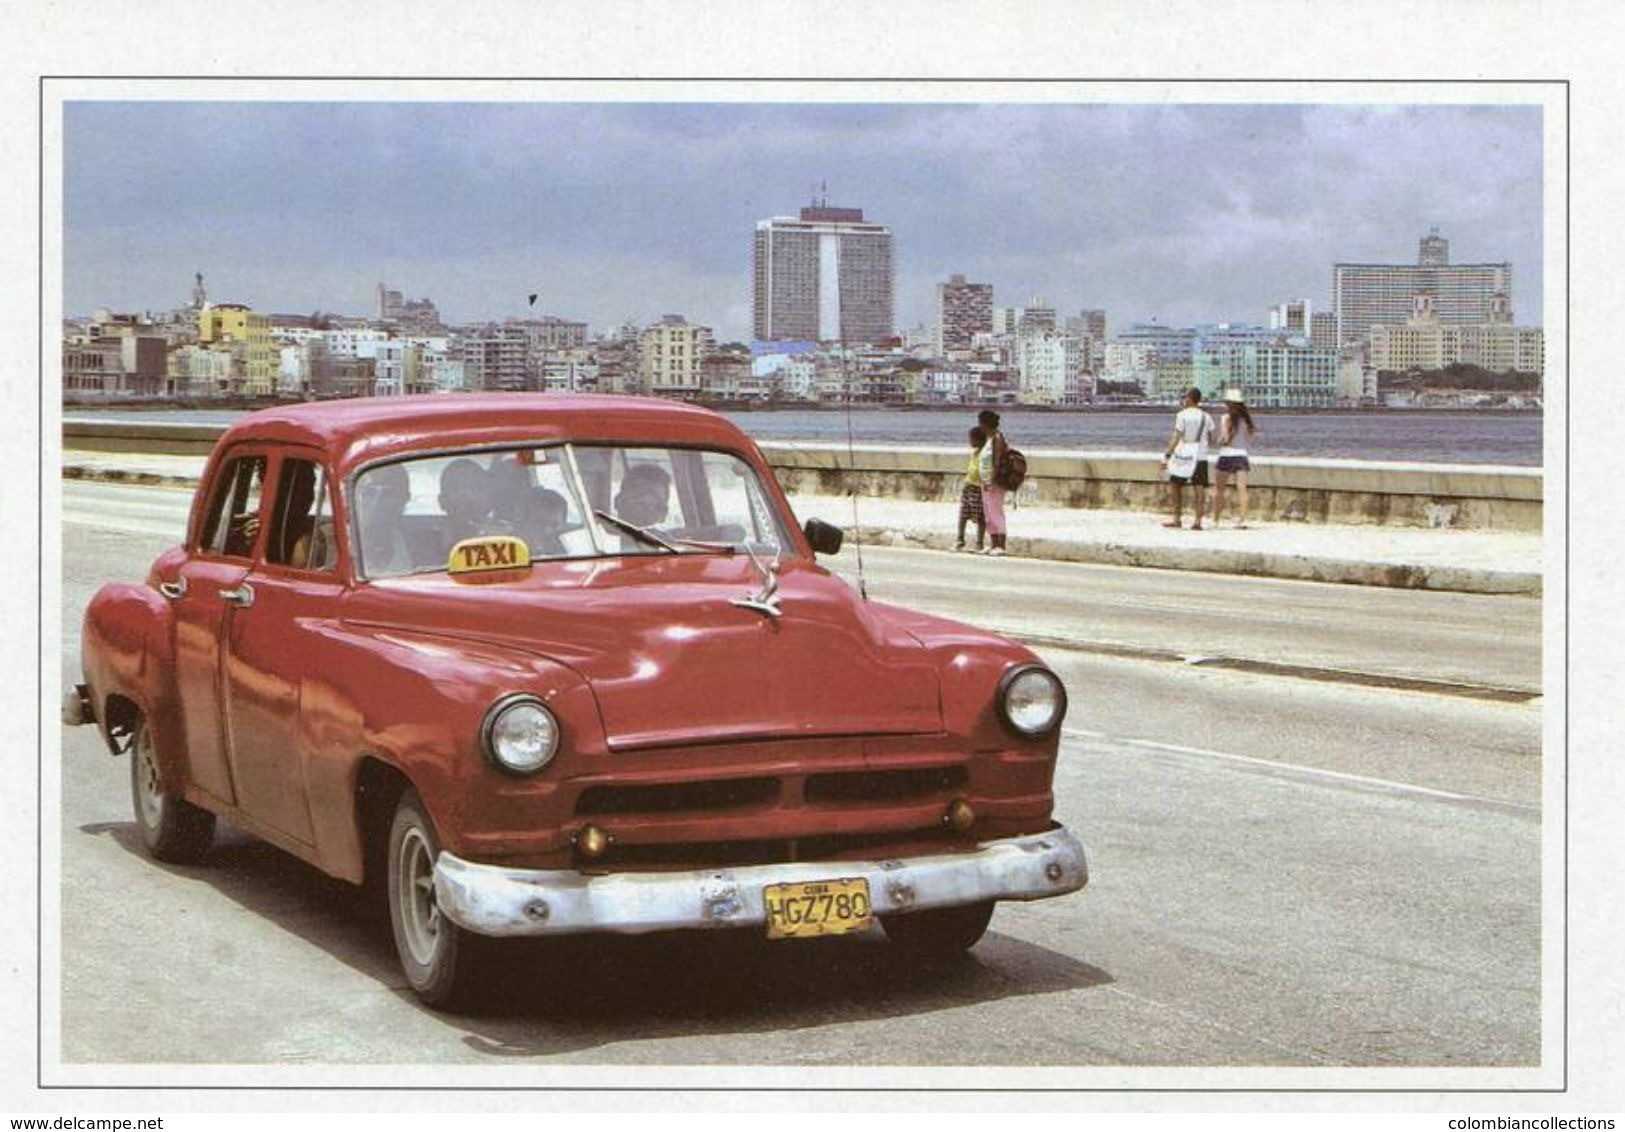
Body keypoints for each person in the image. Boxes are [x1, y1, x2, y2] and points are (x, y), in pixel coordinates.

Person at [1160, 387, 1216, 531]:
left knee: (1175, 485)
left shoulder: (1182, 415)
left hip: (1184, 456)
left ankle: (1177, 519)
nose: (1184, 399)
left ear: (1190, 398)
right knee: (1199, 488)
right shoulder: (1206, 416)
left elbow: (1176, 437)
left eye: (1186, 397)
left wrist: (1167, 455)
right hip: (1200, 456)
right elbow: (1212, 439)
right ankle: (1197, 521)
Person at [1212, 388, 1258, 529]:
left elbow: (1225, 439)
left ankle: (1216, 519)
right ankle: (1242, 519)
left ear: (1228, 403)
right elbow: (1249, 437)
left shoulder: (1225, 418)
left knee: (1219, 490)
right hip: (1241, 455)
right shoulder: (1247, 420)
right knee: (1242, 490)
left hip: (1226, 455)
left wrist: (1217, 442)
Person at [356, 462, 413, 575]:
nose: (376, 502)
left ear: (404, 498)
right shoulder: (335, 544)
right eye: (369, 492)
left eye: (387, 493)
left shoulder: (418, 546)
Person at [976, 409, 1010, 555]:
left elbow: (996, 462)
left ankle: (1001, 545)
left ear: (986, 424)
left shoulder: (997, 439)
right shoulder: (988, 440)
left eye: (981, 423)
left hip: (994, 482)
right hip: (986, 481)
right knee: (989, 514)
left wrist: (992, 479)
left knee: (996, 512)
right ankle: (993, 543)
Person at [955, 426, 987, 552]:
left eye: (971, 439)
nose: (969, 442)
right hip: (968, 485)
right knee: (963, 514)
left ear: (979, 440)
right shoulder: (974, 453)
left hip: (978, 487)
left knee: (979, 516)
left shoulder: (985, 454)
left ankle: (979, 543)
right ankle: (960, 539)